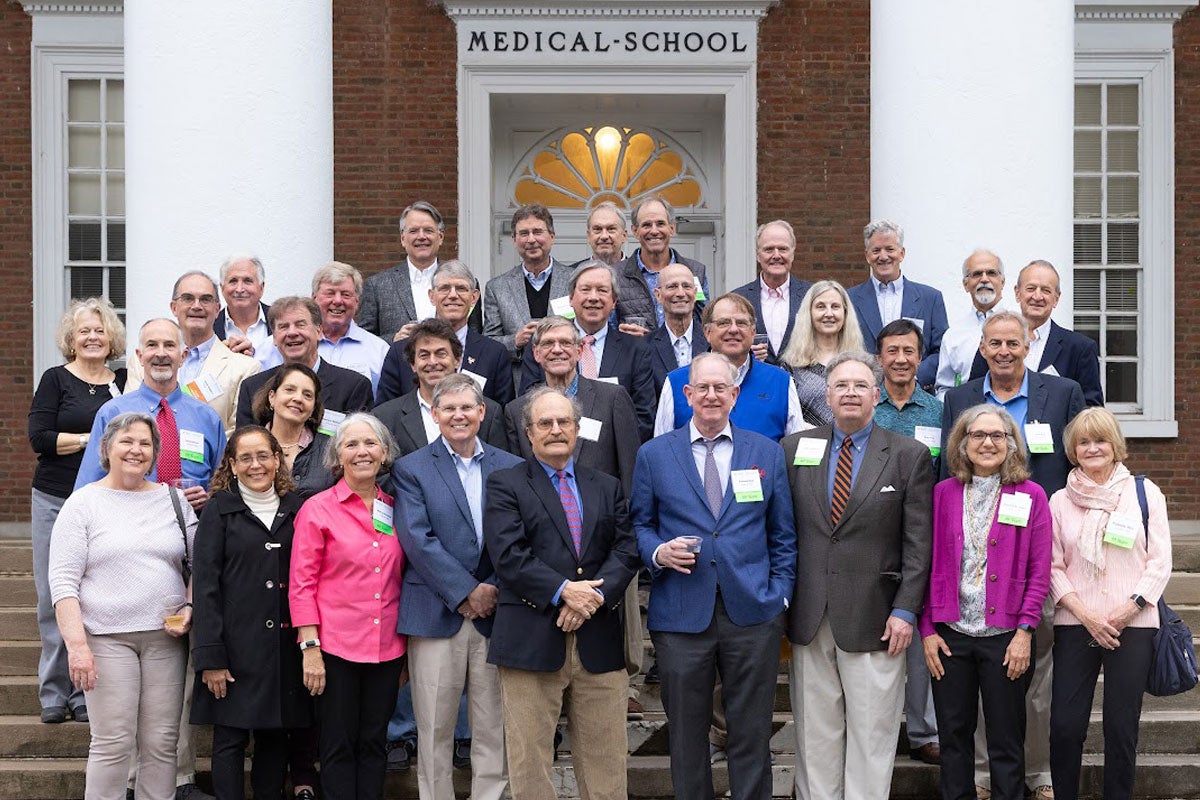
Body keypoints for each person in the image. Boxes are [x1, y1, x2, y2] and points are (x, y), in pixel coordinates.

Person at [632, 352, 797, 800]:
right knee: (686, 735)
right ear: (687, 395)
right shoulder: (654, 455)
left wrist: (780, 594)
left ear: (734, 394)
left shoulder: (765, 451)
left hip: (752, 611)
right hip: (681, 612)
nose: (710, 395)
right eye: (701, 387)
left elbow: (783, 533)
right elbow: (639, 525)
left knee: (751, 731)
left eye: (719, 387)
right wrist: (658, 552)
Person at [942, 310, 1085, 800]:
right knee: (965, 717)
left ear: (1027, 346)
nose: (1003, 351)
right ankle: (978, 781)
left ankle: (1035, 775)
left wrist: (1024, 625)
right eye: (993, 343)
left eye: (1012, 342)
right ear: (981, 347)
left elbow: (1073, 463)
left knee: (1027, 693)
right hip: (958, 613)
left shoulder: (1061, 395)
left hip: (1023, 582)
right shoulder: (958, 404)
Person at [783, 351, 934, 800]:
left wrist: (906, 610)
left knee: (873, 734)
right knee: (815, 734)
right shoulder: (794, 449)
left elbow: (918, 542)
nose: (850, 393)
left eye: (860, 385)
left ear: (876, 394)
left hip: (878, 617)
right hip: (810, 616)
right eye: (841, 385)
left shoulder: (909, 455)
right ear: (827, 396)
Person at [483, 388, 640, 800]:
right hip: (531, 640)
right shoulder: (505, 484)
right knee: (530, 766)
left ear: (577, 429)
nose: (556, 430)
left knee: (607, 767)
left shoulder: (605, 485)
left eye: (564, 421)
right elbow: (508, 555)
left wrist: (591, 600)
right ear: (528, 433)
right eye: (545, 423)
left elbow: (625, 550)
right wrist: (564, 591)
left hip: (599, 642)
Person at [48, 412, 197, 800]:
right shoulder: (83, 504)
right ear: (107, 448)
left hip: (165, 639)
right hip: (105, 640)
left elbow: (202, 564)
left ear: (155, 453)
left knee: (162, 744)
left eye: (145, 443)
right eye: (127, 441)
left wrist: (191, 606)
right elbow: (63, 583)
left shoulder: (174, 500)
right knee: (113, 744)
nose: (136, 450)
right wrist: (77, 647)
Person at [392, 374, 523, 800]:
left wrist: (492, 588)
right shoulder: (411, 468)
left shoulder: (511, 466)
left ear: (482, 412)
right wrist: (467, 591)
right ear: (435, 414)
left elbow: (522, 537)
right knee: (434, 728)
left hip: (498, 613)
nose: (458, 415)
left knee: (492, 726)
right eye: (448, 408)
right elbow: (416, 538)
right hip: (435, 612)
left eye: (467, 407)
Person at [505, 316, 644, 717]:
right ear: (535, 353)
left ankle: (627, 680)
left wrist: (626, 529)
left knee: (620, 609)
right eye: (547, 344)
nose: (557, 350)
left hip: (606, 529)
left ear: (582, 350)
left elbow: (630, 465)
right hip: (546, 536)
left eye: (566, 342)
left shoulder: (612, 398)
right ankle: (561, 687)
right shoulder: (519, 409)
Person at [921, 405, 1052, 800]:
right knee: (954, 738)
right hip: (949, 636)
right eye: (978, 435)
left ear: (1011, 445)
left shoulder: (1031, 495)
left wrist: (1025, 631)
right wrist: (927, 630)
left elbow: (1039, 570)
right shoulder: (942, 493)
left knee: (1006, 740)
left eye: (998, 436)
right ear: (962, 443)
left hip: (1006, 636)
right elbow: (925, 563)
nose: (988, 443)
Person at [1048, 407, 1172, 800]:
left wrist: (1124, 610)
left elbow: (1160, 561)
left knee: (1121, 728)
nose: (1092, 448)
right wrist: (1086, 615)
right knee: (1065, 726)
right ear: (1073, 449)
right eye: (1083, 442)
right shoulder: (1059, 501)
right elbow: (1052, 566)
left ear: (1115, 444)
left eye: (1100, 440)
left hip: (1132, 624)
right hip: (1075, 623)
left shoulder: (1144, 493)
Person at [190, 426, 312, 800]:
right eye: (245, 457)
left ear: (278, 460)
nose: (256, 464)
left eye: (263, 455)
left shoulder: (299, 509)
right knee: (229, 738)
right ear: (232, 464)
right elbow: (206, 586)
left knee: (274, 736)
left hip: (284, 648)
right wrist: (210, 656)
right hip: (233, 649)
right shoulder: (218, 511)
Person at [289, 412, 405, 800]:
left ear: (384, 453)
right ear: (337, 457)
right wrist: (310, 649)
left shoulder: (396, 506)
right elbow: (301, 584)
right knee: (336, 746)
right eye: (351, 445)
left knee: (374, 743)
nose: (362, 452)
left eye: (370, 443)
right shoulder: (318, 509)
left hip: (387, 648)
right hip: (334, 648)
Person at [28, 298, 127, 724]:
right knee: (54, 596)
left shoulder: (121, 382)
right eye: (83, 331)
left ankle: (83, 691)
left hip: (105, 504)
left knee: (95, 597)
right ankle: (53, 689)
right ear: (71, 339)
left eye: (99, 330)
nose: (91, 337)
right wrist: (95, 437)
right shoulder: (55, 379)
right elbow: (41, 438)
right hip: (54, 498)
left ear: (111, 339)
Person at [871, 318, 945, 766]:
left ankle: (924, 731)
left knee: (920, 635)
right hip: (872, 538)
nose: (900, 360)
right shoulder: (866, 406)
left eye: (908, 352)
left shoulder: (937, 411)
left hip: (924, 538)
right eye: (892, 351)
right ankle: (877, 729)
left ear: (920, 357)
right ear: (879, 357)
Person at [75, 319, 226, 515]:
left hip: (194, 531)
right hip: (128, 529)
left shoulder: (208, 419)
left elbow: (224, 487)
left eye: (170, 345)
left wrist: (209, 499)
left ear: (183, 356)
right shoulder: (112, 413)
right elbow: (87, 489)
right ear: (140, 356)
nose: (161, 353)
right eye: (152, 345)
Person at [518, 260, 657, 440]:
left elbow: (643, 417)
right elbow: (528, 406)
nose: (593, 297)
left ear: (614, 301)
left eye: (602, 290)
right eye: (585, 290)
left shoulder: (636, 350)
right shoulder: (544, 347)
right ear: (570, 298)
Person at [655, 292, 805, 440]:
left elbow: (796, 448)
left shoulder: (780, 382)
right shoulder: (677, 382)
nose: (733, 329)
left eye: (741, 323)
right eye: (724, 323)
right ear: (707, 332)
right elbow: (661, 449)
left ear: (753, 332)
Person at [126, 271, 260, 434]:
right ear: (174, 307)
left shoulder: (245, 368)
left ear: (217, 309)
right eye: (188, 298)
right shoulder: (142, 361)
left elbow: (238, 434)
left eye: (205, 299)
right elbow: (130, 416)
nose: (196, 306)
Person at [375, 260, 514, 406]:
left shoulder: (494, 354)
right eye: (444, 288)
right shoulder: (400, 351)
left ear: (474, 297)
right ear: (432, 296)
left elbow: (501, 416)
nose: (453, 295)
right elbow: (386, 413)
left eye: (461, 288)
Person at [968, 260, 1104, 408]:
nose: (1037, 296)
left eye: (1046, 290)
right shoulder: (995, 341)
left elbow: (1091, 411)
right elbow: (974, 394)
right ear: (1017, 293)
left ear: (1056, 299)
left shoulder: (1079, 348)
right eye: (1031, 288)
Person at [373, 319, 509, 457]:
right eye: (424, 355)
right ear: (413, 364)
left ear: (457, 360)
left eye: (441, 354)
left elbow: (500, 468)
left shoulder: (490, 413)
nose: (432, 362)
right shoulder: (386, 417)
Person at [235, 297, 374, 428]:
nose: (292, 333)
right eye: (283, 326)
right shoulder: (253, 387)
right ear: (275, 338)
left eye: (300, 325)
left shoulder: (354, 387)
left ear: (319, 331)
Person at [358, 201, 482, 342]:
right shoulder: (377, 286)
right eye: (413, 231)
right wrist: (393, 339)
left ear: (440, 237)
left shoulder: (465, 284)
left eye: (428, 230)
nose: (421, 236)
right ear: (403, 238)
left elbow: (475, 337)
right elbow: (365, 341)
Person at [846, 219, 948, 388]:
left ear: (902, 253)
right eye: (876, 250)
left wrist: (911, 376)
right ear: (867, 256)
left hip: (916, 394)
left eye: (890, 249)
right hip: (865, 394)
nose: (883, 256)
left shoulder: (930, 298)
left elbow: (941, 351)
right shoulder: (849, 299)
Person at [483, 204, 575, 367]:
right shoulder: (497, 288)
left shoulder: (574, 281)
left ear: (552, 236)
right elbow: (489, 344)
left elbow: (586, 332)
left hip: (564, 379)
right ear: (514, 239)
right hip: (519, 384)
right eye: (524, 233)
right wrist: (516, 341)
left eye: (537, 232)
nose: (531, 239)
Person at [613, 195, 710, 328]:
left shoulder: (695, 271)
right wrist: (623, 336)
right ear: (635, 231)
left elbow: (704, 322)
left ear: (672, 229)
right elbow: (608, 328)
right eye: (646, 225)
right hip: (634, 349)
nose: (654, 231)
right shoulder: (615, 275)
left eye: (660, 224)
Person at [779, 280, 865, 427]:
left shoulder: (861, 364)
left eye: (835, 307)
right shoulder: (790, 365)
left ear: (845, 313)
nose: (829, 313)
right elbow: (784, 415)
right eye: (820, 307)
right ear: (809, 313)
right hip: (807, 445)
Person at [731, 220, 814, 365]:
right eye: (769, 249)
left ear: (793, 254)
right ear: (758, 255)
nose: (776, 255)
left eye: (783, 249)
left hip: (801, 385)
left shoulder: (812, 296)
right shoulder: (738, 299)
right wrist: (744, 351)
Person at [250, 363, 335, 499]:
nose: (298, 399)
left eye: (307, 395)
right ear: (272, 397)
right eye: (289, 390)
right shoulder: (246, 444)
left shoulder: (330, 449)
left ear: (313, 408)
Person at [309, 262, 391, 393]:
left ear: (357, 302)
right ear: (314, 298)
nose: (337, 301)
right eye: (330, 293)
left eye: (345, 294)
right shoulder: (295, 345)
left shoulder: (379, 350)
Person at [936, 249, 1008, 397]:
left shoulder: (1020, 329)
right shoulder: (952, 336)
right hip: (967, 415)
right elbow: (944, 389)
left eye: (991, 273)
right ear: (965, 284)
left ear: (1002, 281)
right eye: (976, 274)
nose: (984, 279)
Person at [645, 263, 708, 397]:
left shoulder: (713, 341)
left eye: (686, 286)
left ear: (695, 293)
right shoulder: (644, 348)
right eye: (672, 287)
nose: (680, 293)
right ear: (658, 295)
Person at [214, 254, 276, 367]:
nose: (239, 289)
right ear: (222, 288)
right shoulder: (210, 326)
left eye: (247, 281)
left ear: (261, 288)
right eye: (233, 281)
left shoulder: (280, 321)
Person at [574, 201, 628, 267]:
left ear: (624, 236)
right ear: (588, 236)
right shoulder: (571, 274)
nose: (604, 236)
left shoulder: (641, 273)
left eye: (611, 229)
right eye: (597, 229)